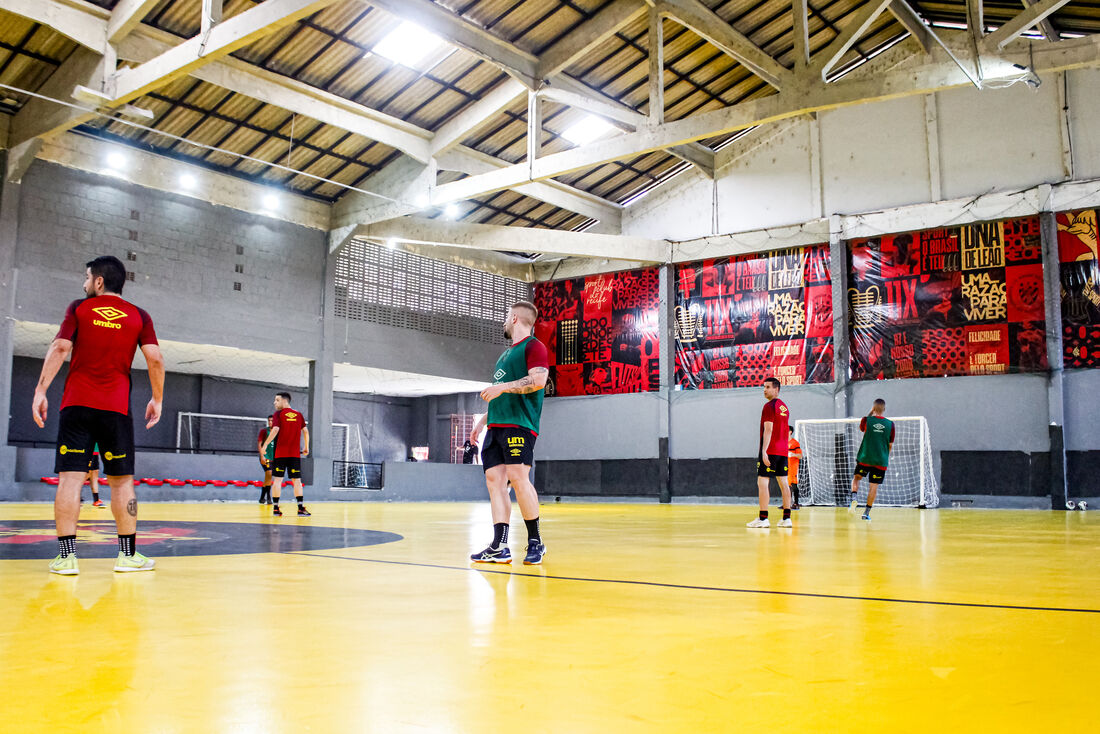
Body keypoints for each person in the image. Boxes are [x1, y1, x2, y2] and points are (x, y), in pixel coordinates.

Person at [32, 255, 164, 575]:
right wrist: (157, 399)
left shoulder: (78, 307)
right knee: (122, 483)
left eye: (87, 276)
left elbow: (60, 348)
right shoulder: (140, 316)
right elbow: (156, 359)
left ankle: (66, 558)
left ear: (99, 281)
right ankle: (127, 555)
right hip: (116, 409)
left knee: (70, 480)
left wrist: (40, 390)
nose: (84, 282)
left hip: (76, 405)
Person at [469, 301, 549, 565]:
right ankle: (499, 546)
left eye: (506, 316)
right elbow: (500, 395)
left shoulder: (534, 346)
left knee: (518, 477)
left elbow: (538, 381)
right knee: (494, 482)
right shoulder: (505, 355)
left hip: (519, 424)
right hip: (496, 425)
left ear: (514, 318)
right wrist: (482, 421)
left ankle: (535, 541)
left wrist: (502, 387)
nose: (504, 321)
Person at [747, 377, 792, 528]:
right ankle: (787, 518)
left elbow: (769, 429)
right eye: (764, 387)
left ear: (776, 389)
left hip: (770, 450)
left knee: (762, 482)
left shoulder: (769, 406)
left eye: (768, 387)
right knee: (784, 483)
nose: (764, 390)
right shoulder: (784, 407)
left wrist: (764, 451)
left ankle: (763, 518)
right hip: (783, 451)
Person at [260, 392, 310, 517]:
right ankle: (300, 508)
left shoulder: (279, 414)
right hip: (294, 455)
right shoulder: (299, 415)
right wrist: (306, 446)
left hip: (281, 454)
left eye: (277, 400)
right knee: (297, 481)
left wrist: (265, 445)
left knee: (277, 480)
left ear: (284, 401)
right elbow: (305, 431)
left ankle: (276, 508)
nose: (274, 402)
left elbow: (275, 429)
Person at [849, 399, 895, 522]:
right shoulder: (891, 425)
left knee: (857, 478)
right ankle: (866, 513)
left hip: (865, 457)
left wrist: (870, 413)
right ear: (884, 409)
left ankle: (854, 497)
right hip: (880, 460)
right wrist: (884, 455)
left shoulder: (866, 420)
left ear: (873, 408)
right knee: (873, 487)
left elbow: (862, 428)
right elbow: (890, 445)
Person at [256, 416, 275, 504]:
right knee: (269, 473)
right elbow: (259, 444)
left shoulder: (277, 432)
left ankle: (262, 498)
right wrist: (262, 456)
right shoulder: (264, 431)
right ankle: (268, 497)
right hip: (265, 457)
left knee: (268, 477)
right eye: (269, 421)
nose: (270, 422)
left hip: (273, 458)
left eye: (272, 421)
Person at [788, 426, 802, 510]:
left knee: (794, 486)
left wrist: (793, 454)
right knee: (785, 486)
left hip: (793, 467)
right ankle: (786, 504)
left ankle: (796, 503)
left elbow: (800, 456)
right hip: (784, 467)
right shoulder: (782, 443)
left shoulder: (795, 443)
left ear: (790, 432)